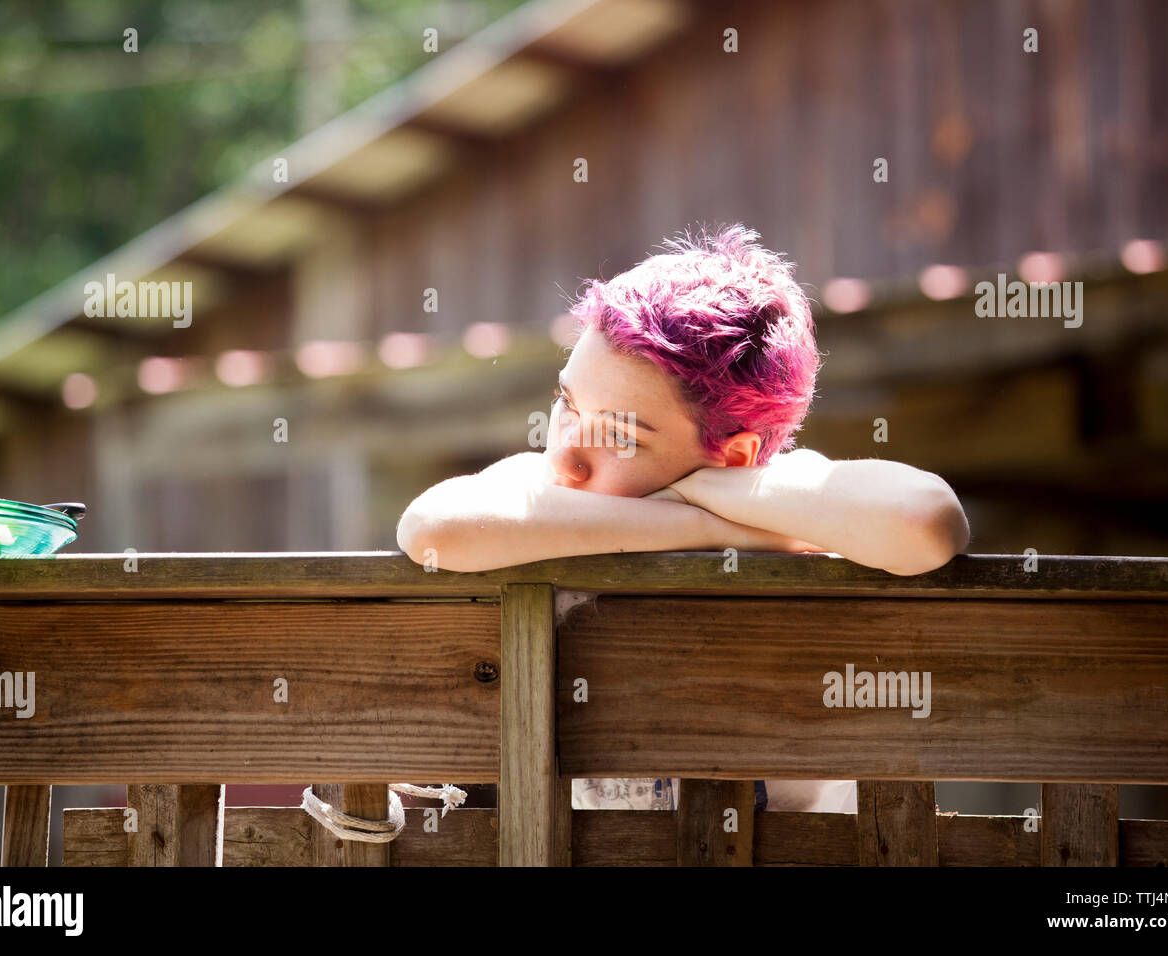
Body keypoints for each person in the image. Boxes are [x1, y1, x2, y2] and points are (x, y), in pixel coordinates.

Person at [396, 222, 969, 814]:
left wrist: (714, 497)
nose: (563, 455)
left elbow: (925, 522)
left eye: (618, 436)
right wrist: (711, 527)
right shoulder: (542, 486)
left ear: (737, 459)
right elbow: (429, 529)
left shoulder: (792, 494)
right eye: (568, 403)